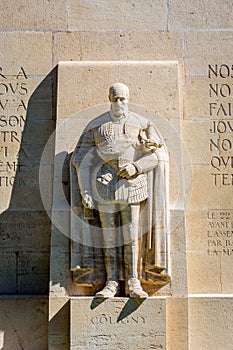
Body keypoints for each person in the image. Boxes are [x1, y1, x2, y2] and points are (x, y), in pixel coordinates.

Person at [71, 82, 167, 298]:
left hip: (133, 186)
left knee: (132, 234)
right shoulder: (96, 126)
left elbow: (156, 156)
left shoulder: (142, 124)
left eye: (123, 99)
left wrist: (136, 167)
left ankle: (133, 281)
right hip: (104, 187)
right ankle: (111, 281)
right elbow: (81, 158)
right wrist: (86, 189)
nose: (119, 103)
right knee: (109, 236)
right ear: (109, 99)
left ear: (128, 99)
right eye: (115, 99)